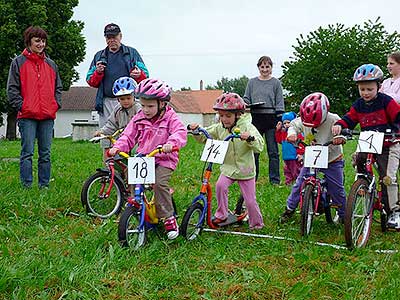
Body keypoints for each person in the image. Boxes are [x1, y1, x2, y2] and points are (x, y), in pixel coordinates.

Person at [108, 78, 187, 239]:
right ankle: (138, 205)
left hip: (164, 158)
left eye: (150, 106)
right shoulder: (139, 117)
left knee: (159, 182)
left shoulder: (171, 118)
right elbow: (128, 135)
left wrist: (171, 143)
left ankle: (168, 217)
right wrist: (118, 146)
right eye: (143, 105)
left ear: (162, 104)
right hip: (145, 157)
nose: (146, 110)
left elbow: (180, 132)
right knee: (130, 176)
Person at [332, 64, 400, 229]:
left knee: (388, 177)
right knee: (359, 159)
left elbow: (398, 116)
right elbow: (350, 118)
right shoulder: (359, 104)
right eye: (362, 89)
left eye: (369, 89)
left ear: (378, 86)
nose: (365, 93)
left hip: (388, 142)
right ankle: (362, 184)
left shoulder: (386, 101)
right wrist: (340, 125)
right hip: (369, 140)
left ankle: (394, 211)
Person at [189, 93, 265, 230]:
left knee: (250, 200)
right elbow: (205, 135)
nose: (224, 119)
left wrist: (250, 138)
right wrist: (196, 130)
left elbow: (260, 145)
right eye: (222, 116)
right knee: (220, 186)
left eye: (228, 116)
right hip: (228, 168)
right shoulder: (220, 127)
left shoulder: (247, 126)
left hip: (245, 170)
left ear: (237, 115)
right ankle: (222, 214)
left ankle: (257, 223)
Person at [7, 26, 62, 189]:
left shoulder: (51, 65)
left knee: (45, 154)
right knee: (27, 153)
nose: (41, 44)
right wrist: (23, 106)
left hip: (47, 116)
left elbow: (58, 88)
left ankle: (44, 185)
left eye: (43, 41)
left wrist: (55, 104)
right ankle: (27, 185)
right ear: (29, 41)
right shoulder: (17, 62)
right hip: (27, 116)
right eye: (37, 40)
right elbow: (11, 89)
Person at [280, 92, 346, 224]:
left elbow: (343, 128)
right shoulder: (302, 120)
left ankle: (343, 213)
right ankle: (290, 208)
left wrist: (340, 137)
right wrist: (292, 134)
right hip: (312, 158)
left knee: (337, 189)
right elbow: (293, 126)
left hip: (332, 158)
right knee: (299, 183)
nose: (311, 126)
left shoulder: (333, 119)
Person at [86, 23, 149, 150]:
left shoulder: (132, 53)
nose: (111, 40)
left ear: (120, 36)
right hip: (107, 101)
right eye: (108, 37)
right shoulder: (99, 56)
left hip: (130, 101)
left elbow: (145, 76)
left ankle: (130, 166)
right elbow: (90, 80)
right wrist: (98, 72)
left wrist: (138, 75)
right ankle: (109, 168)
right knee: (107, 137)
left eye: (114, 36)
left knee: (133, 135)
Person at [243, 55, 285, 184]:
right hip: (256, 119)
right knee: (254, 149)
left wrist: (279, 119)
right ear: (258, 68)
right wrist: (245, 104)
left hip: (271, 119)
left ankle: (274, 180)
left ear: (271, 68)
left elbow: (279, 101)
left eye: (267, 66)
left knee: (273, 151)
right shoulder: (252, 82)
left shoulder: (276, 83)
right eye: (262, 66)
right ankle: (252, 178)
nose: (265, 69)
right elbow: (246, 98)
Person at [94, 77, 141, 153]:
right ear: (118, 99)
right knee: (116, 157)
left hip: (138, 140)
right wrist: (102, 132)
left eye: (128, 98)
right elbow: (112, 124)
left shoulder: (139, 108)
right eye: (122, 99)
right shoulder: (117, 109)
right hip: (123, 141)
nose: (126, 101)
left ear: (134, 96)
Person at [380, 53, 400, 228]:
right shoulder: (385, 82)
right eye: (387, 63)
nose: (388, 66)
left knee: (391, 172)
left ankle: (394, 208)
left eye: (392, 63)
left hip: (397, 128)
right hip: (381, 128)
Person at [275, 112, 303, 185]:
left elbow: (301, 144)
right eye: (285, 123)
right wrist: (278, 130)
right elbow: (279, 140)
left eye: (289, 122)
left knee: (296, 171)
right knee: (287, 170)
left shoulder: (296, 133)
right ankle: (288, 183)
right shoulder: (283, 133)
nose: (287, 125)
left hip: (294, 157)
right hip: (286, 157)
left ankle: (298, 183)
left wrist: (300, 154)